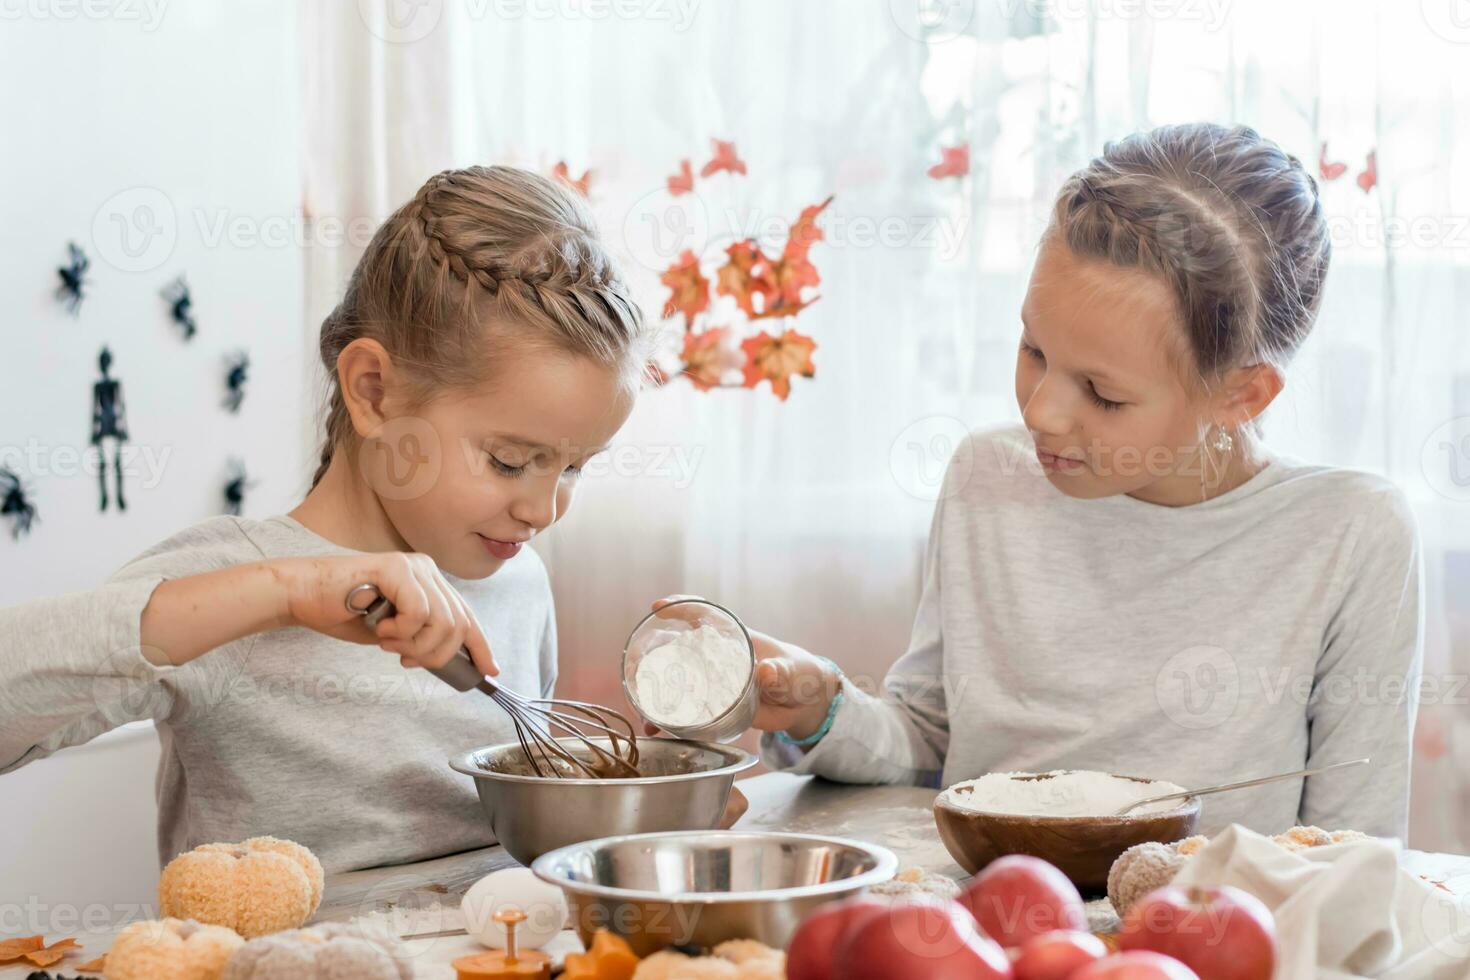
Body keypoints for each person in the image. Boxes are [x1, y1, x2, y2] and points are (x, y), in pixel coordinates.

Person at [652, 124, 1422, 838]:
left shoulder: (1351, 532)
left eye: (1104, 393)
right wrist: (824, 709)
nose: (1043, 413)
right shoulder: (989, 477)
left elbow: (1349, 857)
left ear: (1242, 394)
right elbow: (932, 750)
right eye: (1032, 350)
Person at [0, 166, 648, 871]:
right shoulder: (232, 586)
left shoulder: (516, 580)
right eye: (508, 460)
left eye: (575, 467)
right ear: (374, 391)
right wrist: (281, 593)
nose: (543, 509)